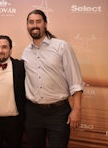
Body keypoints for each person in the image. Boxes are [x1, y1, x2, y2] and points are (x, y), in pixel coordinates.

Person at [21, 9, 84, 148]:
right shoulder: (25, 52)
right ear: (27, 26)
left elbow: (76, 81)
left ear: (45, 24)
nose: (35, 25)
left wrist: (77, 109)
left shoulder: (62, 47)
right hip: (33, 113)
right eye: (31, 22)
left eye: (38, 21)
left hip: (58, 113)